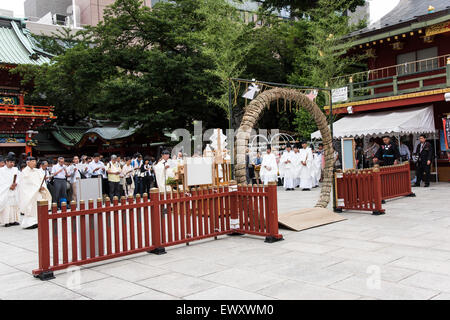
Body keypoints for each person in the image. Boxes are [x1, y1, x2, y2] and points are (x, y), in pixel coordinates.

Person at [18, 156, 51, 229]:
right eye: (32, 161)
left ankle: (36, 222)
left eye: (35, 161)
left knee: (37, 208)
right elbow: (25, 184)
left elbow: (41, 180)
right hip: (29, 194)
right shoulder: (24, 172)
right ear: (28, 162)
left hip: (37, 193)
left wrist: (42, 187)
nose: (34, 163)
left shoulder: (37, 171)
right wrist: (36, 188)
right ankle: (28, 224)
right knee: (30, 208)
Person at [0, 153, 20, 227]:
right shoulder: (1, 170)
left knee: (14, 205)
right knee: (7, 206)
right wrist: (9, 186)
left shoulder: (15, 169)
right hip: (6, 190)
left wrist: (15, 184)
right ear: (6, 162)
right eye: (11, 162)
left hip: (14, 189)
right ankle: (6, 221)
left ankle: (14, 220)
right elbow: (1, 181)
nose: (12, 164)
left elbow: (19, 178)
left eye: (13, 162)